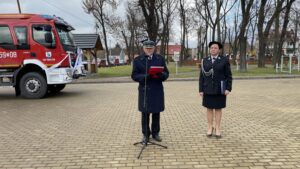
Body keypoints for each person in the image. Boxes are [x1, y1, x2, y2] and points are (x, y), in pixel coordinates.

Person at [131, 39, 169, 143]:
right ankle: (146, 134)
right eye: (147, 48)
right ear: (143, 48)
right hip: (145, 90)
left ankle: (155, 133)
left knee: (156, 112)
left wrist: (161, 75)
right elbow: (134, 75)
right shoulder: (138, 60)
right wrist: (145, 76)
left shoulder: (160, 59)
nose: (149, 50)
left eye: (151, 48)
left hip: (156, 89)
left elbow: (166, 73)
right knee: (145, 113)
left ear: (154, 48)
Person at [199, 41, 232, 138]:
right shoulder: (204, 60)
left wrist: (228, 88)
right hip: (207, 89)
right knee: (209, 109)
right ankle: (209, 127)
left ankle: (218, 128)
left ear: (219, 50)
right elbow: (202, 77)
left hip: (220, 89)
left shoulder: (224, 60)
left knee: (218, 109)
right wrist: (201, 89)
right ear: (209, 49)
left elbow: (228, 76)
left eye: (215, 48)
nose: (213, 49)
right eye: (211, 48)